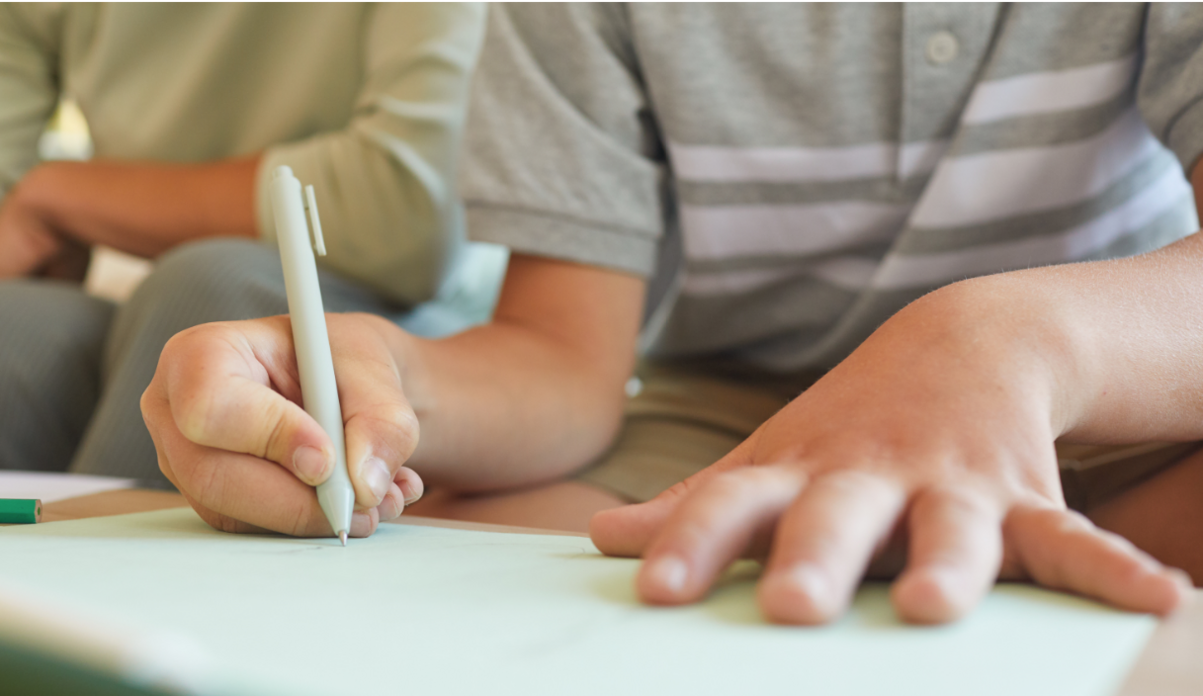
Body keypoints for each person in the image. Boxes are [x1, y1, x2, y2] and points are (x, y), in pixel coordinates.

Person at [140, 4, 1202, 624]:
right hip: (722, 428)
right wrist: (385, 378)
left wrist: (991, 342)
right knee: (445, 580)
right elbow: (560, 362)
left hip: (1100, 410)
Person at [0, 3, 486, 482]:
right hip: (179, 293)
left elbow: (416, 209)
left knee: (215, 296)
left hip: (449, 328)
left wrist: (62, 192)